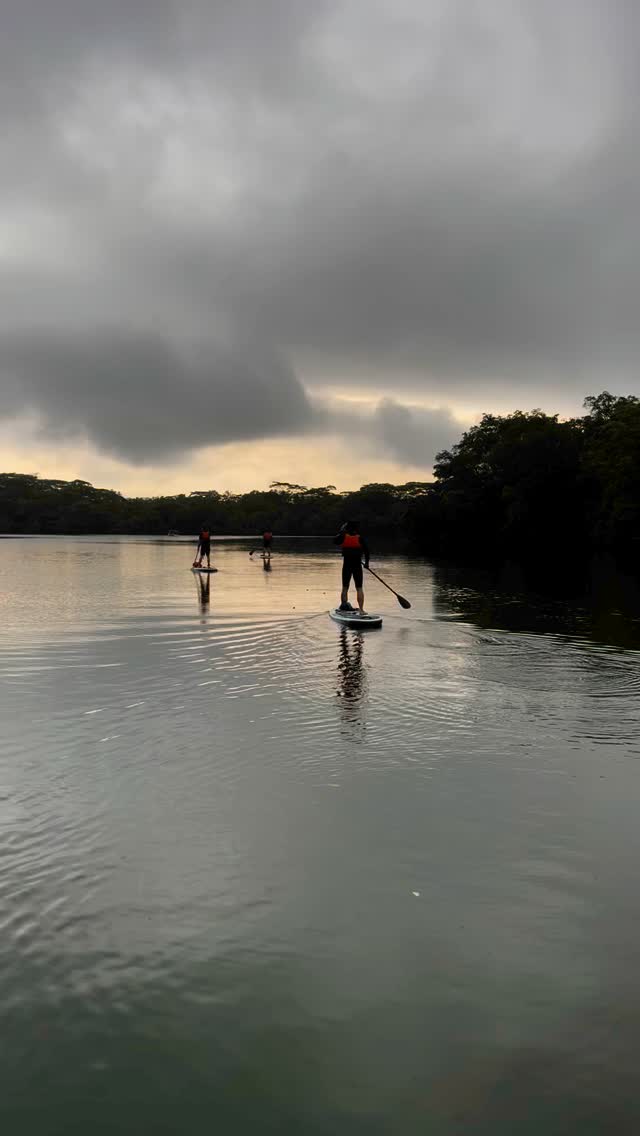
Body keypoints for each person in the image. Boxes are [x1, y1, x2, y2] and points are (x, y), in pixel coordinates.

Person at [333, 519, 370, 614]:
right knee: (359, 588)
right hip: (357, 566)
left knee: (345, 587)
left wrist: (341, 530)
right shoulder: (360, 538)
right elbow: (367, 551)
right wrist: (366, 563)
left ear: (347, 528)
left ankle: (343, 607)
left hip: (347, 566)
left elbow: (335, 541)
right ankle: (361, 610)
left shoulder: (343, 537)